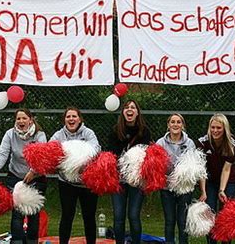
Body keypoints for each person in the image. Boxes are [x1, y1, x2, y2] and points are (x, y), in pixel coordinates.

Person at [0, 108, 47, 244]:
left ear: (30, 120)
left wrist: (33, 171)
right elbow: (3, 154)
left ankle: (32, 241)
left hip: (36, 176)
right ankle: (17, 241)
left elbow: (42, 155)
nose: (21, 121)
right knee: (17, 213)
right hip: (15, 175)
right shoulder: (10, 134)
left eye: (24, 118)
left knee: (33, 212)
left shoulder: (39, 135)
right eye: (18, 119)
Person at [50, 107, 101, 244]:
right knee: (67, 215)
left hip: (87, 183)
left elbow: (96, 149)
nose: (71, 119)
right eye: (68, 117)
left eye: (74, 116)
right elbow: (49, 151)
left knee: (89, 216)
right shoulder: (58, 135)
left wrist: (79, 160)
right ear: (64, 119)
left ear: (79, 119)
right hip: (66, 183)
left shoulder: (88, 133)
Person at [106, 100, 151, 244]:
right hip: (119, 180)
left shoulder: (145, 131)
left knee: (133, 215)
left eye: (133, 107)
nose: (129, 110)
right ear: (123, 112)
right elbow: (111, 155)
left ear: (137, 112)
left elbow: (146, 156)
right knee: (118, 216)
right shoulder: (114, 131)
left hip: (137, 180)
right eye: (126, 107)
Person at [156, 113, 206, 244]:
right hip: (166, 188)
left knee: (182, 221)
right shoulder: (160, 143)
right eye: (172, 122)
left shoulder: (189, 143)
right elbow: (154, 166)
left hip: (185, 189)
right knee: (169, 221)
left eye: (178, 122)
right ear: (168, 125)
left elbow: (196, 167)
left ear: (182, 125)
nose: (175, 124)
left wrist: (203, 190)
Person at [196, 113, 235, 244]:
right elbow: (201, 168)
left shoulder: (233, 143)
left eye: (219, 128)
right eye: (213, 127)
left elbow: (227, 169)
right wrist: (203, 191)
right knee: (209, 213)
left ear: (224, 128)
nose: (215, 130)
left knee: (226, 214)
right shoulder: (202, 142)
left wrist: (222, 190)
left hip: (228, 180)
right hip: (209, 180)